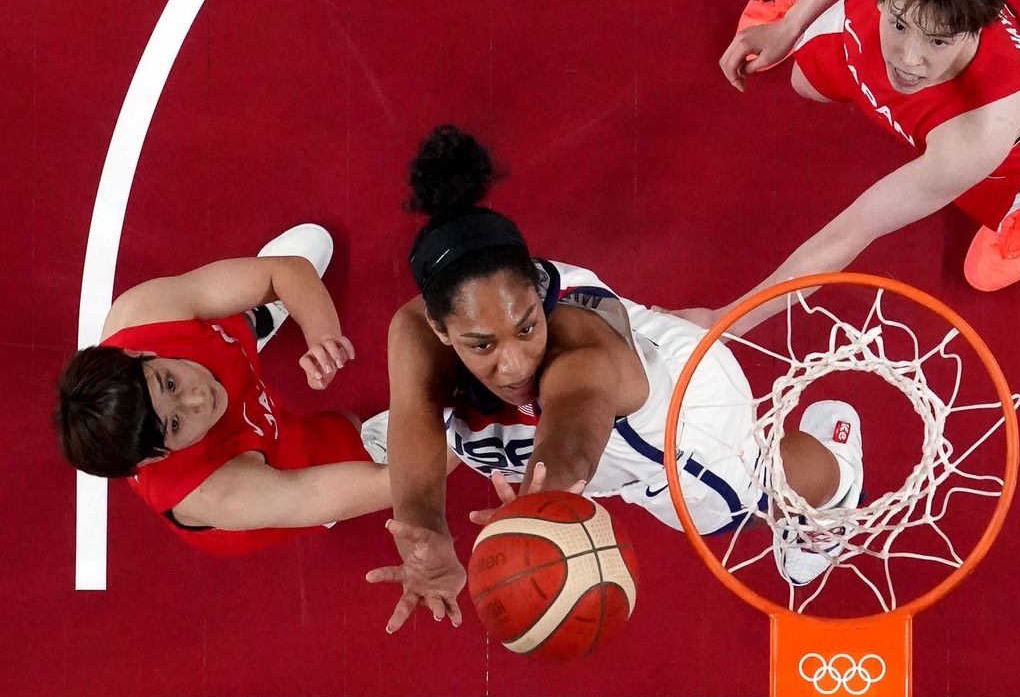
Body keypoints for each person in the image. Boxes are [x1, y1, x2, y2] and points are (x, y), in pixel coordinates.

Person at [365, 127, 863, 632]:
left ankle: (838, 476)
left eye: (526, 327)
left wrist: (541, 507)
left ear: (538, 291)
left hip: (675, 418)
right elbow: (416, 412)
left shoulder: (579, 356)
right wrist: (424, 536)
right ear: (438, 326)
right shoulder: (417, 326)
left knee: (747, 507)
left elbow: (570, 439)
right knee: (445, 422)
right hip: (625, 352)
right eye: (482, 344)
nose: (514, 364)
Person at [680, 0, 1020, 334]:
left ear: (973, 27)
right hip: (877, 27)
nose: (909, 60)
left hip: (996, 139)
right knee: (805, 83)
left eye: (938, 40)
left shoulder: (985, 131)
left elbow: (854, 229)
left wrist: (725, 322)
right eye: (900, 25)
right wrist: (790, 25)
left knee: (1018, 179)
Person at [53, 224, 391, 555]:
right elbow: (319, 495)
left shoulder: (142, 313)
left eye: (170, 383)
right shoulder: (220, 495)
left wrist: (323, 337)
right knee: (347, 432)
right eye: (174, 423)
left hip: (212, 353)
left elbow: (286, 271)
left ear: (139, 353)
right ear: (158, 456)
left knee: (234, 309)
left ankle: (254, 316)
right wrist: (441, 446)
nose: (199, 397)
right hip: (250, 469)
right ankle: (369, 449)